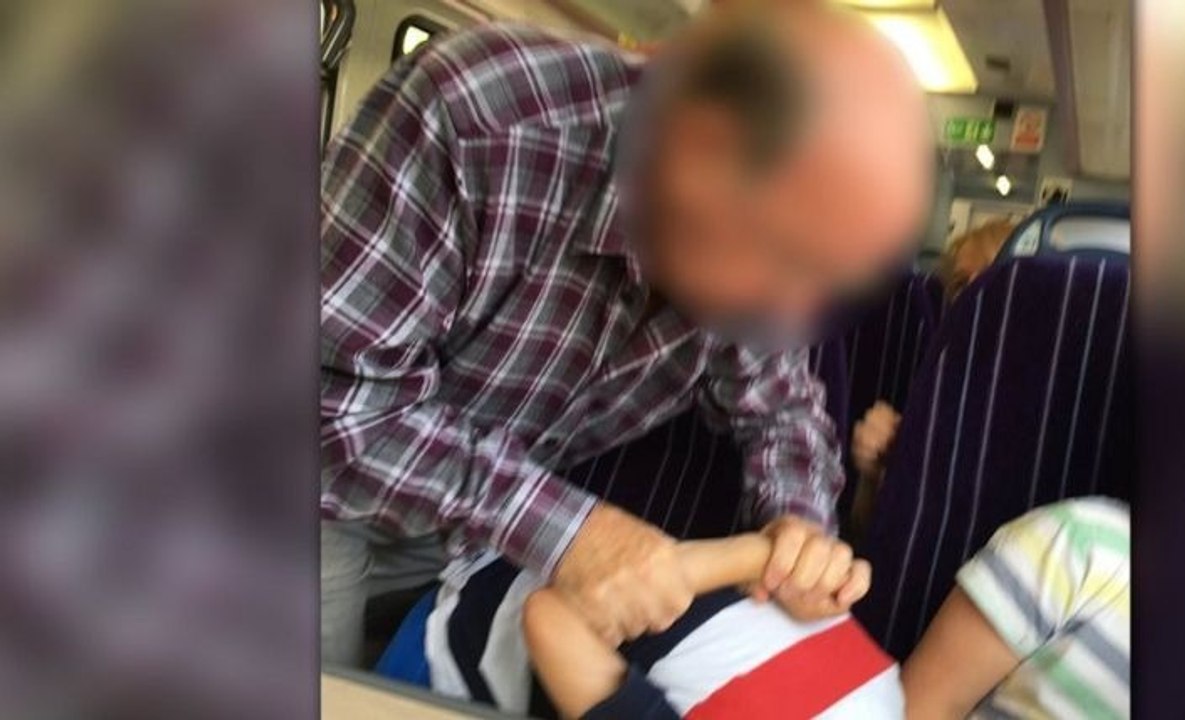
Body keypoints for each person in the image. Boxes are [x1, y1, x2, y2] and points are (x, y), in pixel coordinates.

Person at [319, 4, 934, 666]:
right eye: (785, 262)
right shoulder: (476, 118)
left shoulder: (771, 256)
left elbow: (785, 413)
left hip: (474, 532)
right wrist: (573, 531)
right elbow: (328, 407)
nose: (790, 315)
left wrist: (800, 531)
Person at [518, 497, 1130, 719]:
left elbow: (553, 615)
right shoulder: (895, 703)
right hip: (680, 567)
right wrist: (776, 557)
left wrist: (760, 556)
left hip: (535, 593)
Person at [848, 219, 1015, 533]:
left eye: (996, 281)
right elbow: (865, 527)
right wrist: (872, 475)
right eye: (962, 285)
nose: (974, 300)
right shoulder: (933, 386)